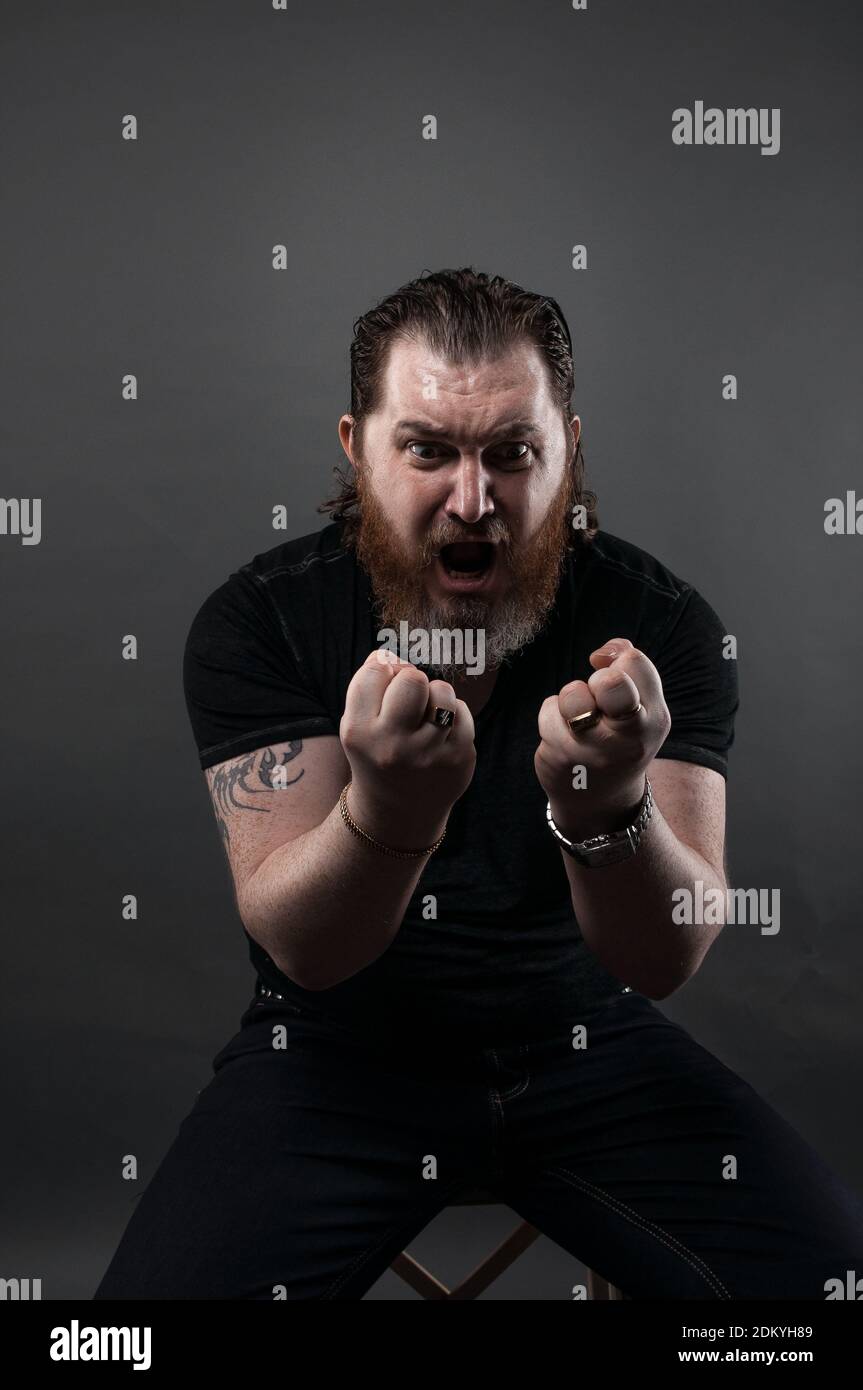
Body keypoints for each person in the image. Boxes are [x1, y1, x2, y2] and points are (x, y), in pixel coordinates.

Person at [94, 267, 863, 1300]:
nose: (471, 499)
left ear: (566, 448)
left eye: (511, 453)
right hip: (332, 1062)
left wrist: (606, 808)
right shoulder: (262, 620)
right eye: (425, 449)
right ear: (354, 449)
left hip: (586, 1049)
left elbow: (665, 955)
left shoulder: (659, 624)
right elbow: (303, 949)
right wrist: (387, 817)